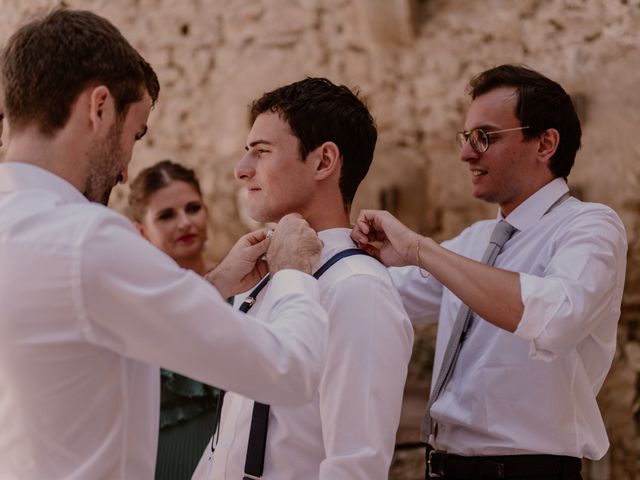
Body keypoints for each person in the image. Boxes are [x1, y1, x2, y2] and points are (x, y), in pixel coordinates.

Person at [0, 9, 329, 480]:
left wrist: (212, 284)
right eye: (133, 135)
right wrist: (295, 271)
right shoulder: (86, 240)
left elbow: (92, 322)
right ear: (98, 107)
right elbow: (288, 371)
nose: (125, 169)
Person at [352, 64, 628, 480]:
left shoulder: (590, 226)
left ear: (545, 143)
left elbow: (557, 316)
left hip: (525, 472)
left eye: (484, 137)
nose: (466, 154)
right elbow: (385, 296)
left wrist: (421, 250)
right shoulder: (473, 241)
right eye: (466, 138)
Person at [193, 78, 414, 479]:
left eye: (261, 152)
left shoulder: (357, 288)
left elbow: (354, 467)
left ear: (323, 161)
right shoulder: (263, 276)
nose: (242, 171)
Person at [128, 160, 221, 479]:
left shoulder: (248, 287)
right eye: (166, 215)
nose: (185, 223)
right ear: (141, 231)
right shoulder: (134, 304)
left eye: (193, 208)